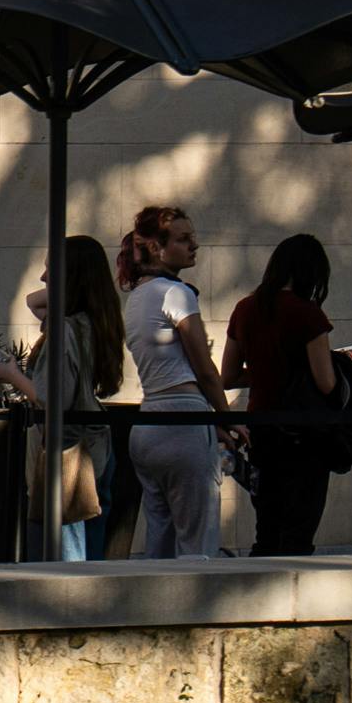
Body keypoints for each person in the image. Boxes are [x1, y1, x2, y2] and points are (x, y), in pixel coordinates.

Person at [0, 235, 124, 563]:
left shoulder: (65, 330)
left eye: (50, 270)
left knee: (66, 558)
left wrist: (12, 375)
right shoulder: (93, 321)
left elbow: (52, 399)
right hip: (94, 447)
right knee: (89, 548)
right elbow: (35, 301)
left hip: (69, 455)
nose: (43, 278)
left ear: (69, 276)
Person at [224, 233, 342, 556]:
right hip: (303, 433)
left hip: (261, 428)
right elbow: (326, 383)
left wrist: (265, 371)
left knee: (268, 525)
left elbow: (228, 375)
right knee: (299, 528)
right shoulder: (308, 315)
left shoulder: (244, 309)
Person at [121, 203, 226, 557]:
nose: (193, 245)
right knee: (198, 539)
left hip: (148, 422)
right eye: (183, 239)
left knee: (160, 540)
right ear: (156, 246)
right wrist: (226, 419)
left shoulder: (135, 298)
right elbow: (204, 367)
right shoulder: (175, 292)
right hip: (183, 420)